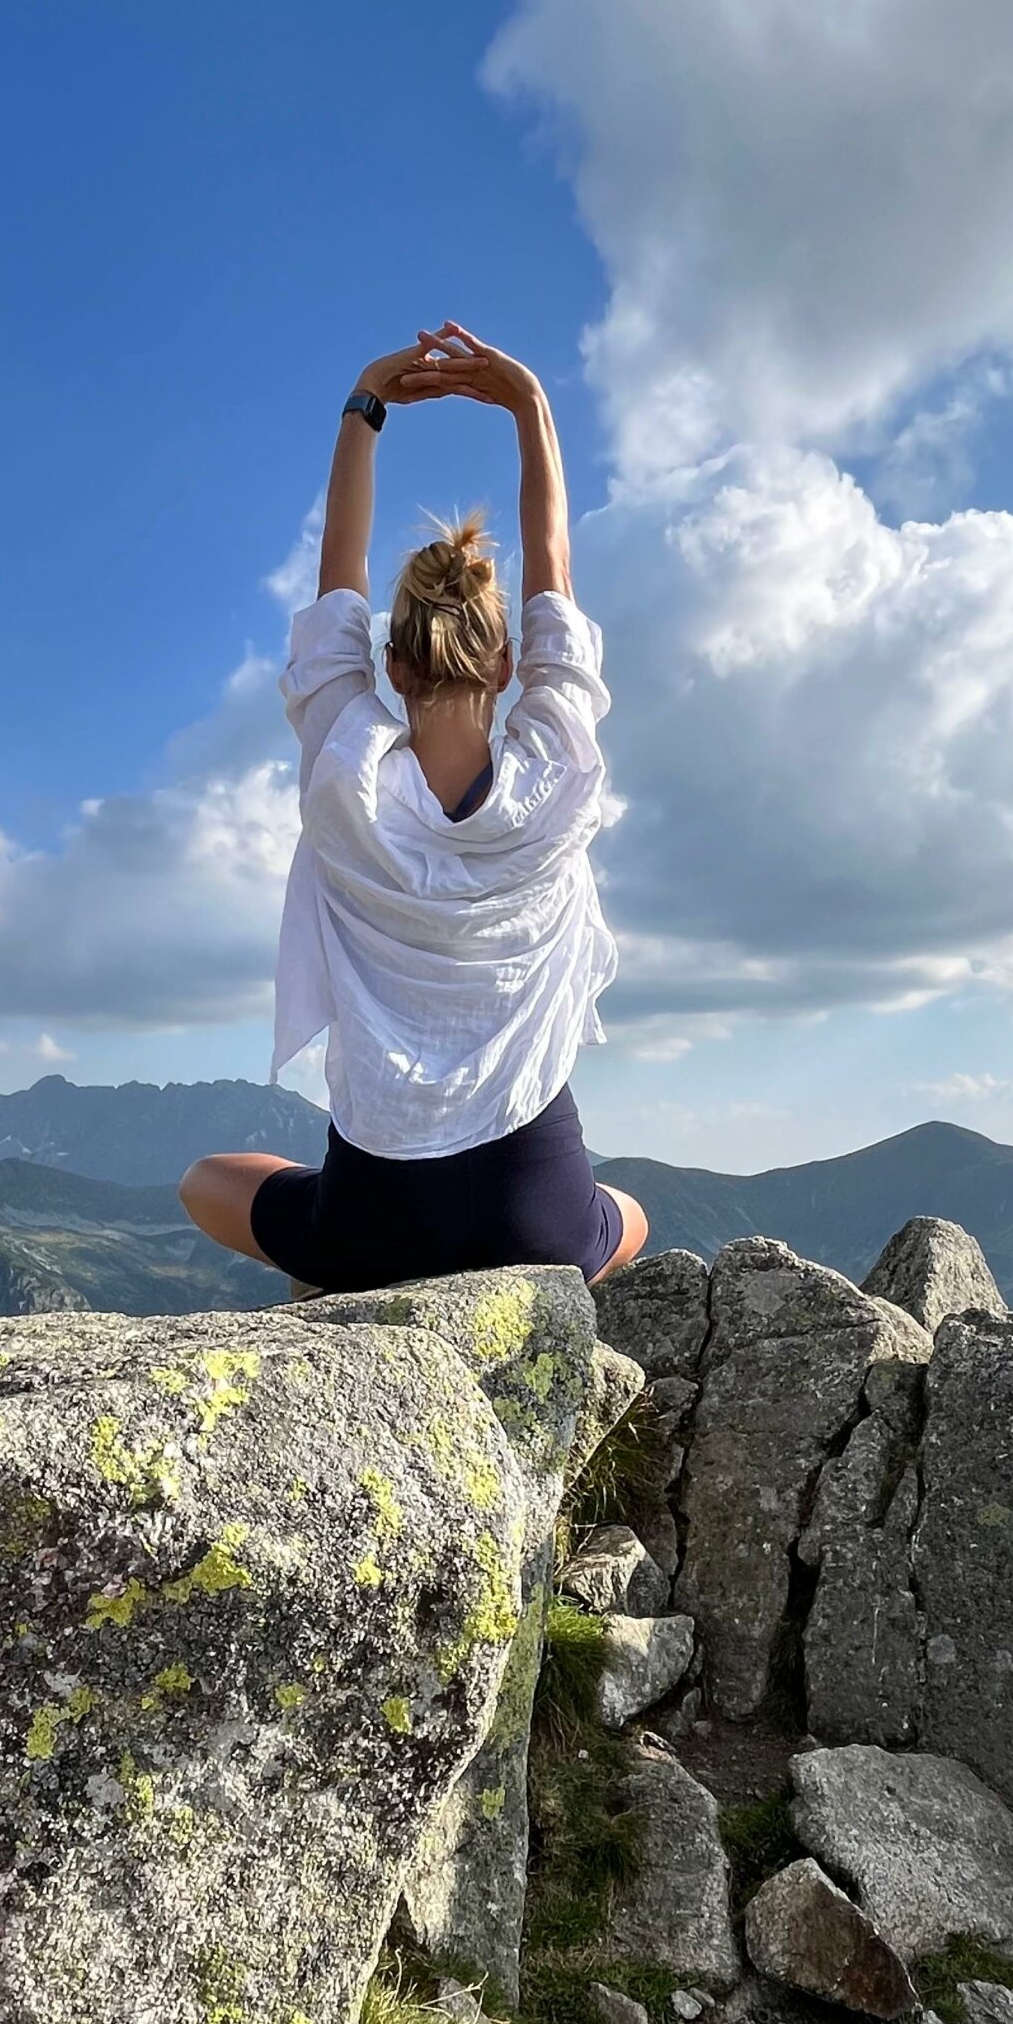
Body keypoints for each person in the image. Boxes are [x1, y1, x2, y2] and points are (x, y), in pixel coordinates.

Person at [179, 320, 648, 1296]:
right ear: (511, 663)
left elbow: (336, 578)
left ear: (389, 666)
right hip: (536, 1206)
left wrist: (366, 402)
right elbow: (552, 566)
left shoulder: (341, 771)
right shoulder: (560, 775)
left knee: (205, 1182)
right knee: (629, 1217)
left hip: (377, 1216)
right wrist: (531, 405)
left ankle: (341, 1294)